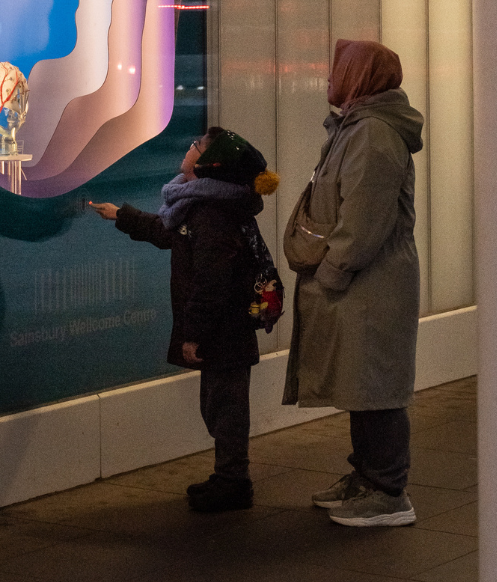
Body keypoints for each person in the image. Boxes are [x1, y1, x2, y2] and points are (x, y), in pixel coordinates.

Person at [91, 128, 277, 512]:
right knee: (219, 404)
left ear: (210, 164)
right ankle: (229, 476)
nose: (188, 147)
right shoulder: (201, 204)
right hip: (223, 327)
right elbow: (167, 233)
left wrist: (192, 335)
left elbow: (211, 281)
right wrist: (120, 215)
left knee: (225, 408)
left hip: (224, 328)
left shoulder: (213, 213)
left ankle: (233, 483)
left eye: (196, 146)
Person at [287, 39, 423, 528]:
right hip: (365, 285)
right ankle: (367, 478)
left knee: (377, 388)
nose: (328, 78)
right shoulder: (356, 129)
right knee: (361, 384)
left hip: (370, 285)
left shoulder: (373, 134)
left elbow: (364, 217)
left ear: (358, 77)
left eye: (337, 69)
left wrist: (332, 272)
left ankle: (389, 493)